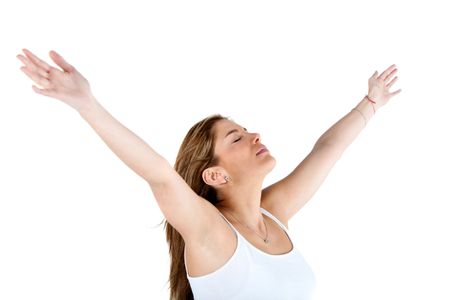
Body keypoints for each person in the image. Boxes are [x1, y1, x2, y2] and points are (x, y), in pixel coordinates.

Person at [17, 48, 401, 300]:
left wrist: (370, 104)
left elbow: (326, 151)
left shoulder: (273, 215)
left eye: (246, 130)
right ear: (215, 175)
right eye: (236, 137)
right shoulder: (212, 234)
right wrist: (87, 104)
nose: (254, 135)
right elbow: (161, 176)